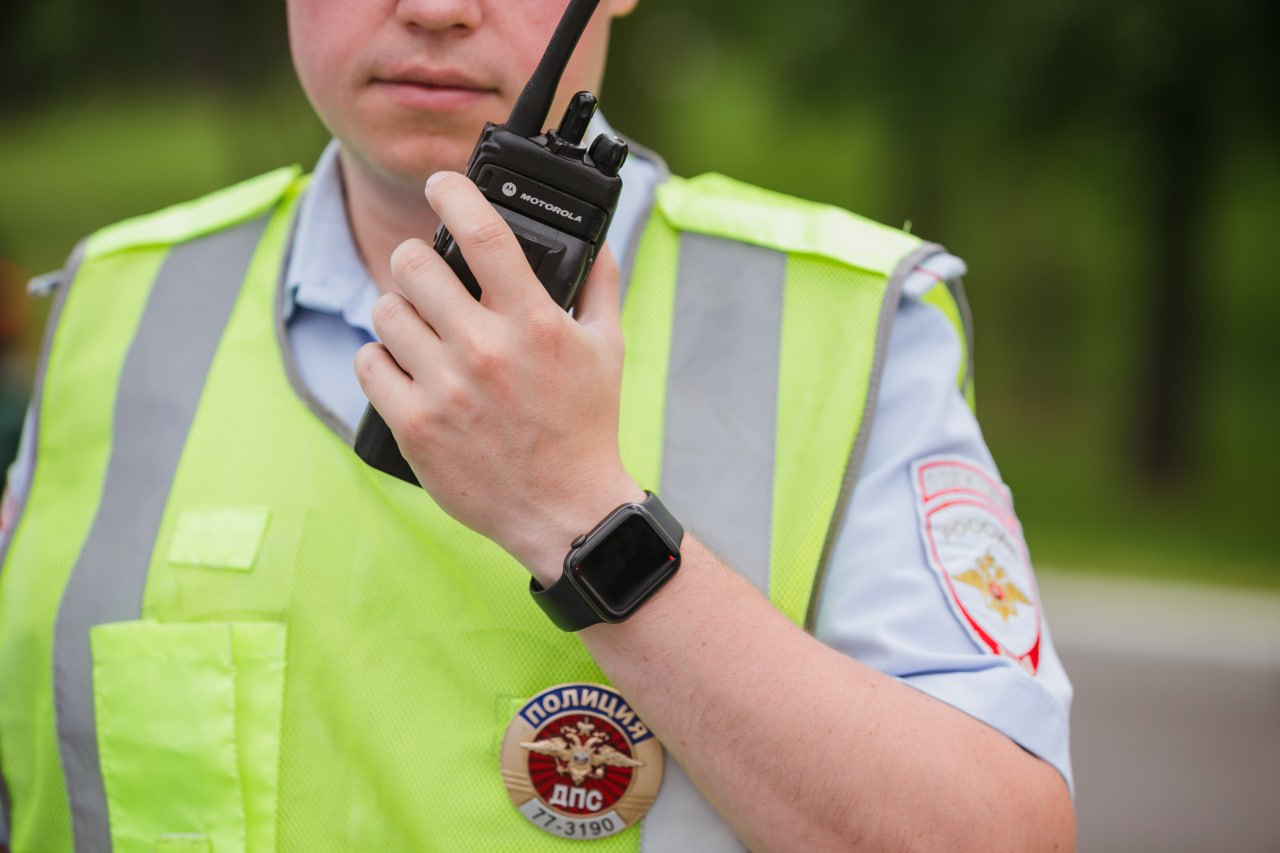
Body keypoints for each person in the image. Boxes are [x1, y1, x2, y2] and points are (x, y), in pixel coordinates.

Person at [0, 0, 1075, 849]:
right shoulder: (115, 296)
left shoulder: (846, 315)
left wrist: (578, 511)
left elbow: (995, 836)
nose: (432, 7)